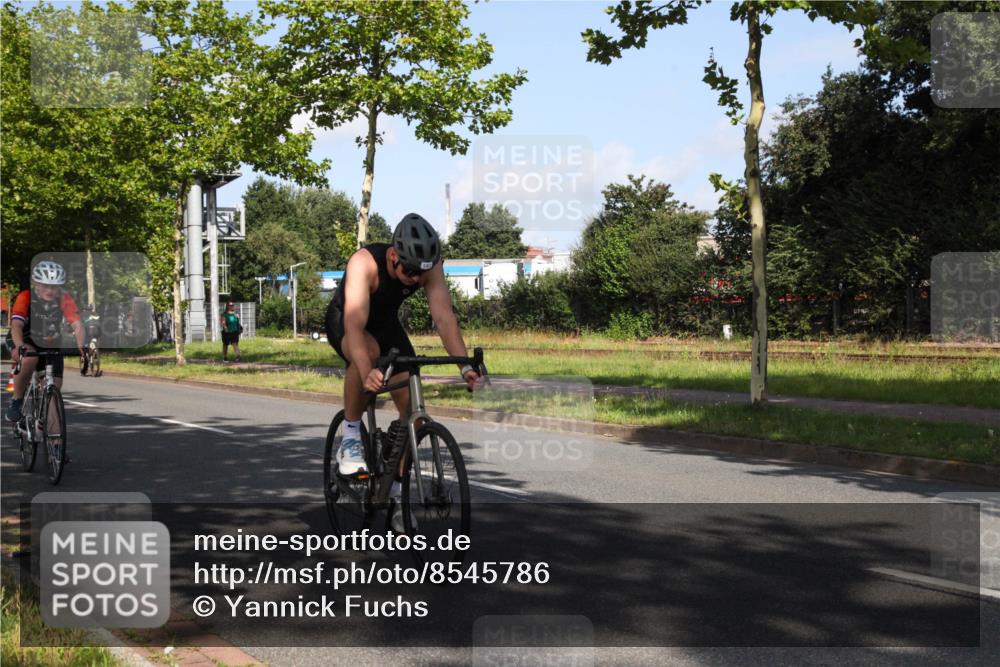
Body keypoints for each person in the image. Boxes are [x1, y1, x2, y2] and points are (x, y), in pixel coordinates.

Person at [325, 213, 479, 529]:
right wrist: (367, 370)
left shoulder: (427, 266)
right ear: (393, 256)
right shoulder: (364, 263)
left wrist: (465, 367)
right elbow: (354, 324)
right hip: (348, 322)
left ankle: (395, 487)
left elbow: (444, 318)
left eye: (420, 274)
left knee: (414, 409)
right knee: (365, 353)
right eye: (408, 271)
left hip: (386, 327)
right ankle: (351, 436)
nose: (414, 279)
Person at [5, 261, 85, 422]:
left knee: (54, 391)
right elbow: (16, 325)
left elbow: (77, 324)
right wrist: (20, 346)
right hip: (23, 338)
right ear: (37, 284)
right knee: (29, 358)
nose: (50, 290)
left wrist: (81, 347)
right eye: (45, 285)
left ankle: (53, 440)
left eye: (54, 287)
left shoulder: (64, 298)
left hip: (50, 341)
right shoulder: (26, 297)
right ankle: (17, 400)